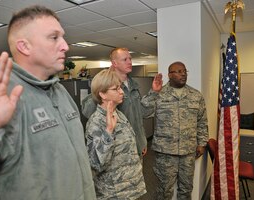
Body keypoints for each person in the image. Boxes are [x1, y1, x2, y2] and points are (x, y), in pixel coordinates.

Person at [0, 5, 96, 200]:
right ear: (24, 46)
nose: (65, 45)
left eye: (62, 37)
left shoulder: (60, 91)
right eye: (54, 37)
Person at [82, 47, 163, 157]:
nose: (130, 62)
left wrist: (154, 92)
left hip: (136, 144)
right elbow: (88, 111)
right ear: (114, 63)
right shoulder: (107, 86)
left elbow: (141, 113)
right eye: (125, 59)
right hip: (118, 149)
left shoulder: (132, 85)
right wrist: (105, 84)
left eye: (130, 58)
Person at [148, 61, 209, 200]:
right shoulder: (159, 93)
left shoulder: (195, 95)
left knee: (186, 189)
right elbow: (144, 112)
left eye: (184, 71)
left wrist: (202, 143)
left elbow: (202, 121)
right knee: (164, 190)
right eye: (179, 71)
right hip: (165, 153)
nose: (183, 74)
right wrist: (153, 93)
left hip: (188, 152)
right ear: (170, 75)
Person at [85, 69, 146, 199]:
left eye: (120, 87)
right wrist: (108, 132)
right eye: (116, 89)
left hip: (130, 187)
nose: (122, 92)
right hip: (114, 193)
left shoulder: (118, 114)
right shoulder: (96, 122)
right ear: (102, 94)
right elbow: (95, 164)